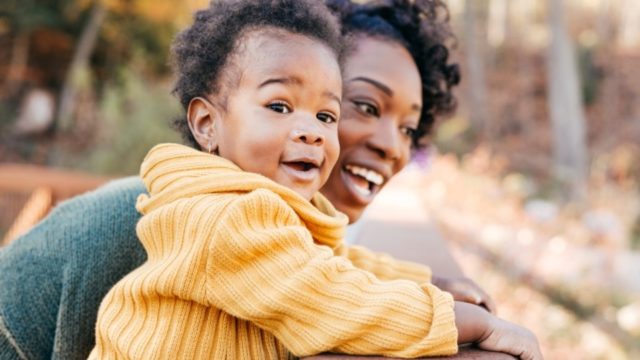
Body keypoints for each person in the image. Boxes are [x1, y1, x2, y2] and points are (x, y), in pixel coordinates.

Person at [0, 0, 532, 359]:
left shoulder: (268, 218)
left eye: (326, 113)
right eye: (363, 104)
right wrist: (464, 323)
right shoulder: (190, 215)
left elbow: (330, 265)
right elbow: (325, 294)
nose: (394, 144)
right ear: (209, 122)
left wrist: (424, 282)